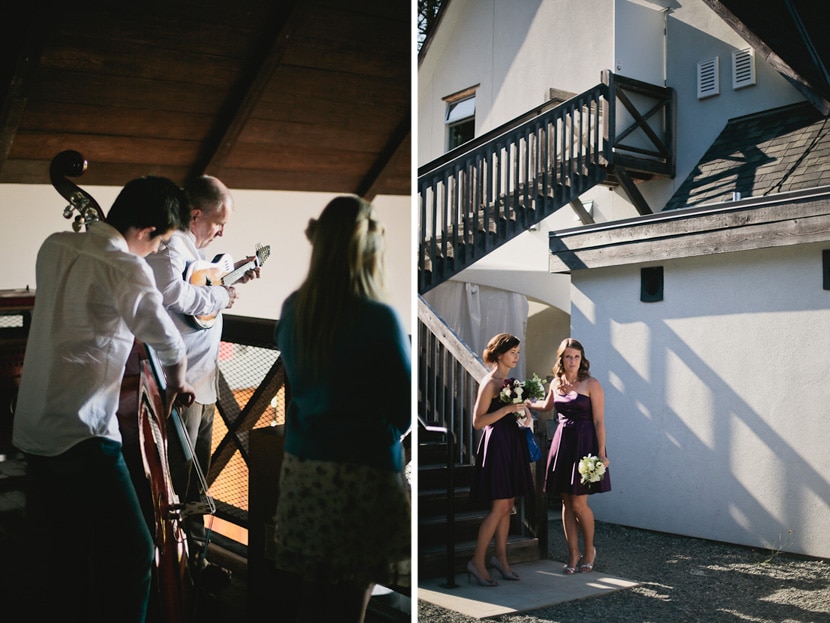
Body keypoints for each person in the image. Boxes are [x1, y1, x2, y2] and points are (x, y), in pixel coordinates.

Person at [12, 176, 195, 623]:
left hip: (34, 428)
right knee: (135, 553)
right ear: (147, 230)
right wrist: (176, 384)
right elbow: (170, 344)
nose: (155, 253)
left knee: (67, 556)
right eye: (160, 243)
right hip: (84, 433)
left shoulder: (54, 246)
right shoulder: (125, 268)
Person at [272, 195, 411, 622]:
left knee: (310, 598)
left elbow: (297, 387)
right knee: (352, 601)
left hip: (304, 470)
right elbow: (404, 410)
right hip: (361, 474)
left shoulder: (295, 309)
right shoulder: (378, 317)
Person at [145, 174, 259, 579]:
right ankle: (183, 566)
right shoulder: (172, 242)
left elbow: (198, 288)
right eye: (217, 223)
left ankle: (193, 561)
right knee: (183, 479)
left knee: (195, 479)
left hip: (203, 380)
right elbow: (170, 293)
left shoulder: (191, 249)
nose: (222, 231)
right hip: (183, 383)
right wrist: (223, 296)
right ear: (196, 215)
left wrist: (232, 278)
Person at [528, 337, 610, 575]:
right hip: (563, 442)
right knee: (565, 501)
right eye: (568, 357)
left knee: (579, 502)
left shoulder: (592, 383)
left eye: (576, 356)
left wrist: (601, 454)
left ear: (581, 359)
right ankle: (572, 553)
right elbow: (546, 407)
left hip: (585, 442)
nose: (572, 361)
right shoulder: (556, 383)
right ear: (561, 359)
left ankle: (590, 550)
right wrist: (523, 402)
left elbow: (598, 420)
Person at [467, 333, 534, 586]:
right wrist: (507, 409)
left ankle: (500, 559)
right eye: (513, 352)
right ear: (499, 354)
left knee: (508, 506)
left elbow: (512, 415)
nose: (517, 356)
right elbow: (477, 422)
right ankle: (476, 562)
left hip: (512, 443)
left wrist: (523, 413)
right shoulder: (490, 382)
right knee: (498, 508)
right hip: (497, 446)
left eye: (518, 352)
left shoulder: (510, 381)